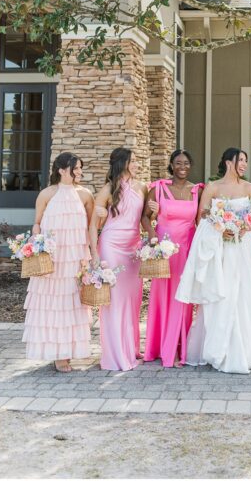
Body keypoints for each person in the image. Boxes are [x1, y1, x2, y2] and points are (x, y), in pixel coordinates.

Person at [176, 148, 251, 374]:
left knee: (248, 292)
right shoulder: (213, 187)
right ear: (229, 161)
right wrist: (221, 230)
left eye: (246, 161)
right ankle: (219, 346)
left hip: (245, 247)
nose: (244, 164)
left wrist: (244, 226)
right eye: (240, 160)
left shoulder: (250, 188)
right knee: (225, 292)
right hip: (222, 248)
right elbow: (202, 216)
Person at [22, 152, 95, 372]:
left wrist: (94, 255)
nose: (80, 172)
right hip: (52, 261)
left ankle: (69, 350)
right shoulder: (46, 194)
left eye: (81, 168)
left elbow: (92, 227)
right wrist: (35, 244)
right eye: (76, 168)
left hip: (74, 259)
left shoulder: (85, 195)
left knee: (71, 303)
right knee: (52, 305)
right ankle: (58, 354)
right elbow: (36, 223)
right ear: (62, 170)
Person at [142, 150, 202, 368]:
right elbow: (145, 218)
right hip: (164, 252)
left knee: (183, 299)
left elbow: (200, 221)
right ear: (171, 165)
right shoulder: (158, 188)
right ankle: (162, 347)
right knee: (163, 298)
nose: (182, 167)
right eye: (178, 163)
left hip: (187, 250)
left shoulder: (197, 190)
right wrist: (152, 237)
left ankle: (179, 347)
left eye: (186, 163)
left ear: (190, 165)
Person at [90, 147, 148, 372]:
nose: (136, 165)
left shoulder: (143, 187)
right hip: (111, 246)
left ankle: (131, 346)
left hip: (133, 248)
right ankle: (116, 355)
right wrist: (94, 253)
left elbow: (144, 217)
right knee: (114, 301)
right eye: (132, 161)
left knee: (133, 300)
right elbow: (92, 226)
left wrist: (155, 210)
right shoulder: (107, 189)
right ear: (122, 163)